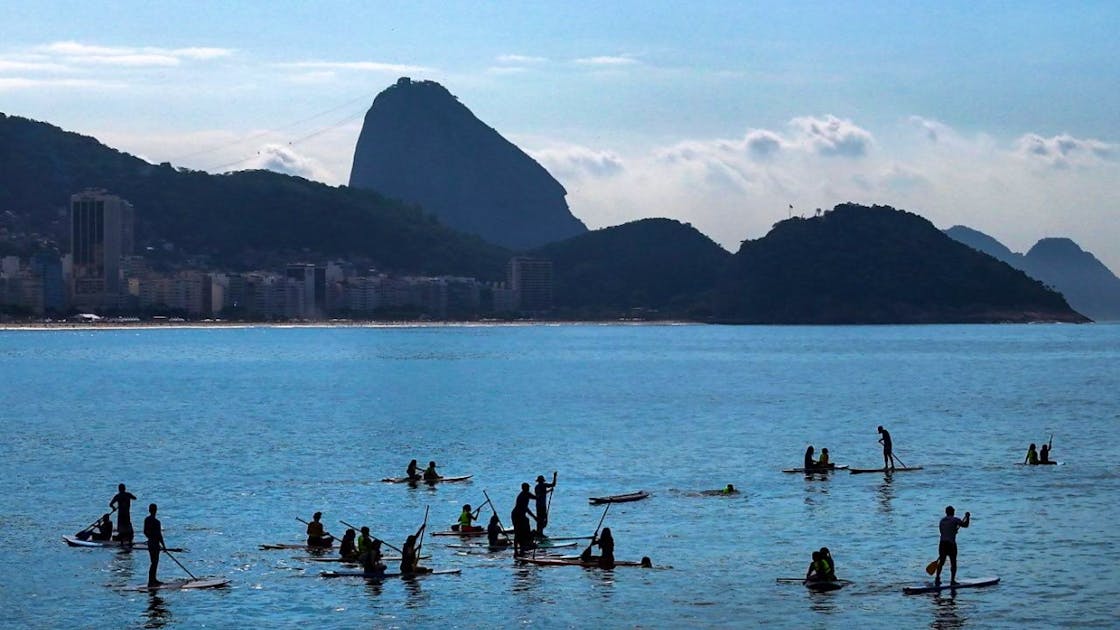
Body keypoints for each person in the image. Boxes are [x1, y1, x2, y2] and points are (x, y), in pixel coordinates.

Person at [935, 505, 971, 585]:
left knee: (941, 562)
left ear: (946, 512)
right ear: (953, 512)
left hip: (942, 543)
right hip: (951, 544)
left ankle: (937, 578)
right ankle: (952, 581)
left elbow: (943, 531)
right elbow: (965, 525)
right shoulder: (955, 520)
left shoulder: (942, 521)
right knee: (953, 562)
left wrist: (953, 530)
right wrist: (967, 517)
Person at [510, 482, 537, 556]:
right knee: (518, 532)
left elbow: (536, 497)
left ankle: (523, 547)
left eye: (528, 487)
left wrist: (546, 491)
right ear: (524, 488)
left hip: (522, 516)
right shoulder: (522, 496)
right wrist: (534, 517)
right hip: (516, 515)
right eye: (527, 487)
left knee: (524, 530)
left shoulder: (527, 494)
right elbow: (526, 508)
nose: (528, 489)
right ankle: (516, 550)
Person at [143, 503, 163, 587]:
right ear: (156, 511)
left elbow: (145, 531)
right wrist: (163, 545)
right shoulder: (157, 522)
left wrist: (150, 538)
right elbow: (159, 535)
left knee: (153, 562)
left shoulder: (146, 520)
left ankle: (153, 579)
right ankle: (151, 581)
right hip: (155, 544)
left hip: (150, 543)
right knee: (155, 562)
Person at [534, 472, 557, 537]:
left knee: (540, 519)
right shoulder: (544, 485)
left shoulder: (536, 487)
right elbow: (553, 484)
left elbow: (542, 493)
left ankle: (539, 532)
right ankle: (539, 533)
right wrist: (555, 476)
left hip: (538, 505)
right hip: (542, 506)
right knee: (544, 520)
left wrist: (549, 491)